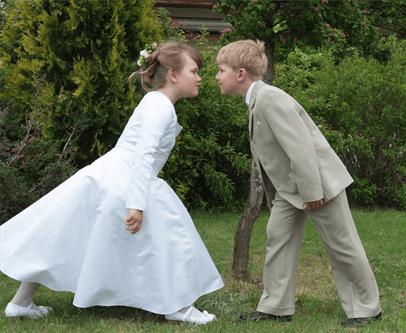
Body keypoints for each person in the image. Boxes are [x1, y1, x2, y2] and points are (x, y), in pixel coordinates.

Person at [0, 42, 223, 325]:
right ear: (174, 75)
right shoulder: (161, 107)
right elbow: (143, 155)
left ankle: (21, 301)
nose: (200, 77)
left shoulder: (156, 102)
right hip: (125, 178)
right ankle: (179, 306)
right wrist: (137, 204)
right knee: (173, 235)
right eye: (194, 70)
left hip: (111, 173)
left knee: (63, 234)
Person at [215, 40, 382, 328]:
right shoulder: (257, 100)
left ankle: (367, 309)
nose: (216, 76)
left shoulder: (269, 98)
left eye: (220, 70)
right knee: (278, 236)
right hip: (289, 188)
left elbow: (301, 147)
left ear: (240, 73)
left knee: (341, 244)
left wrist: (312, 191)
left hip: (317, 183)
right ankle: (276, 306)